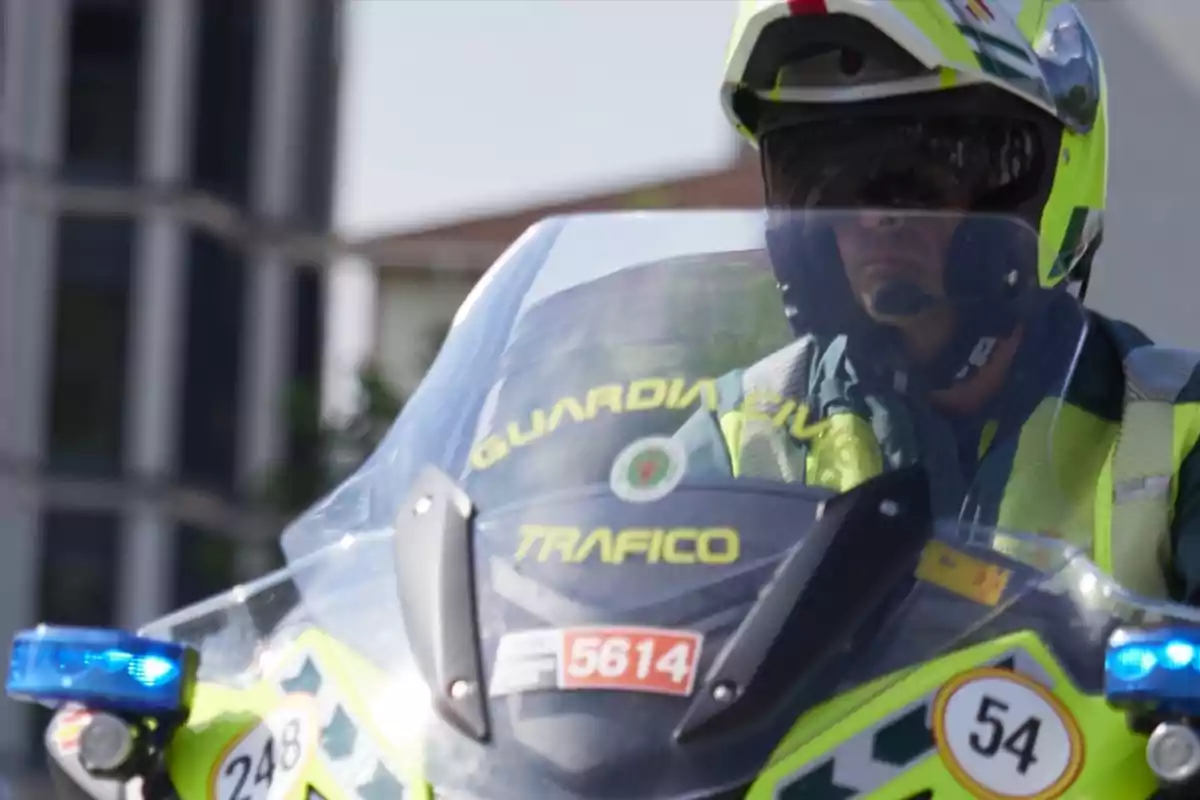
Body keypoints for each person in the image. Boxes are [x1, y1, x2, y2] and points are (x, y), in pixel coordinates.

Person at [675, 0, 1200, 603]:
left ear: (1049, 174)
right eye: (826, 174)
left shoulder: (1179, 429)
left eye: (923, 169)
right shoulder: (736, 439)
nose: (874, 215)